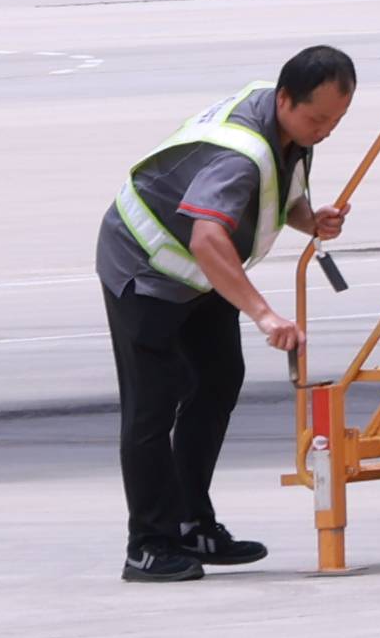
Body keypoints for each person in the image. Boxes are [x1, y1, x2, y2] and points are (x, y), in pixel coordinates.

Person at [97, 42, 358, 582]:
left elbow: (277, 196)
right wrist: (265, 315)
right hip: (145, 268)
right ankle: (147, 544)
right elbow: (208, 237)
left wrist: (312, 220)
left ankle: (193, 522)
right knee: (152, 405)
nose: (325, 130)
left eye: (335, 120)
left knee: (218, 381)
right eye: (317, 118)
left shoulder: (289, 128)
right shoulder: (239, 154)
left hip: (196, 273)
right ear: (285, 99)